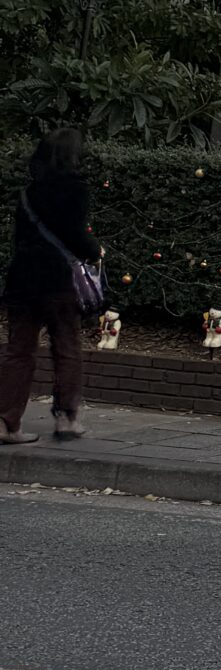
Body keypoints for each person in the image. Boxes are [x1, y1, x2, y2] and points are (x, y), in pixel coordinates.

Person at [0, 127, 98, 446]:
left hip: (23, 278)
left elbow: (20, 238)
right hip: (58, 280)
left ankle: (6, 422)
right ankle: (66, 418)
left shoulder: (29, 192)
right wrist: (95, 251)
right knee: (66, 347)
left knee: (19, 351)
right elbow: (75, 236)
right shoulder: (75, 189)